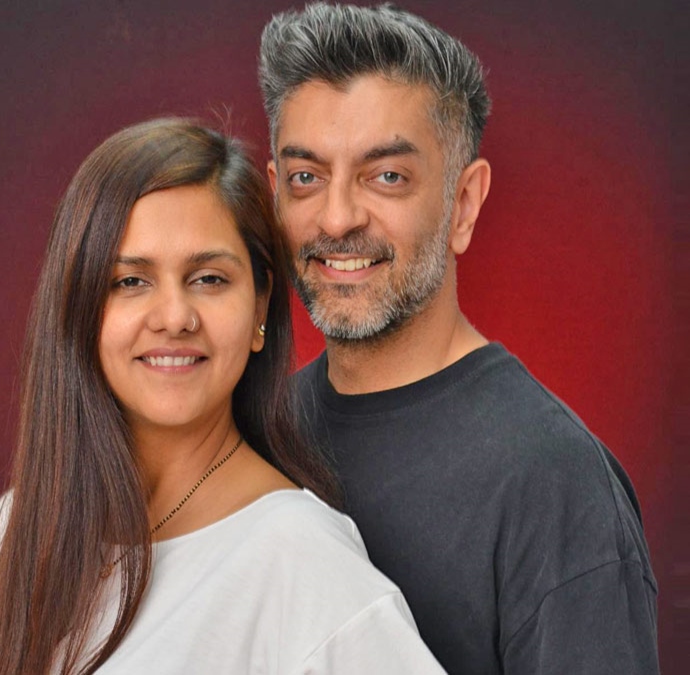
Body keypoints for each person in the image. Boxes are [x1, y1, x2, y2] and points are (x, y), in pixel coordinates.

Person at [0, 119, 446, 674]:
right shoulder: (14, 530)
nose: (174, 317)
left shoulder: (303, 560)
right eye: (130, 282)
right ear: (80, 308)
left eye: (208, 279)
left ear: (259, 306)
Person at [259, 4, 659, 674]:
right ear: (274, 194)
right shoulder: (257, 435)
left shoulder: (555, 483)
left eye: (387, 176)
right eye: (307, 177)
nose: (337, 217)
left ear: (463, 204)